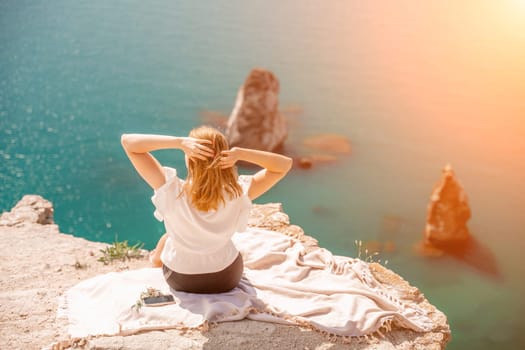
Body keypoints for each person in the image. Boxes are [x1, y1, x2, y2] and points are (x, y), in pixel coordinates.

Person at [121, 126, 292, 293]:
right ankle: (159, 258)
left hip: (180, 279)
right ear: (225, 160)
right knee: (173, 238)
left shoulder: (170, 189)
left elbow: (128, 143)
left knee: (168, 237)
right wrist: (240, 154)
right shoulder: (238, 192)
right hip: (225, 279)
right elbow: (284, 165)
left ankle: (155, 260)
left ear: (189, 158)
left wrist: (179, 142)